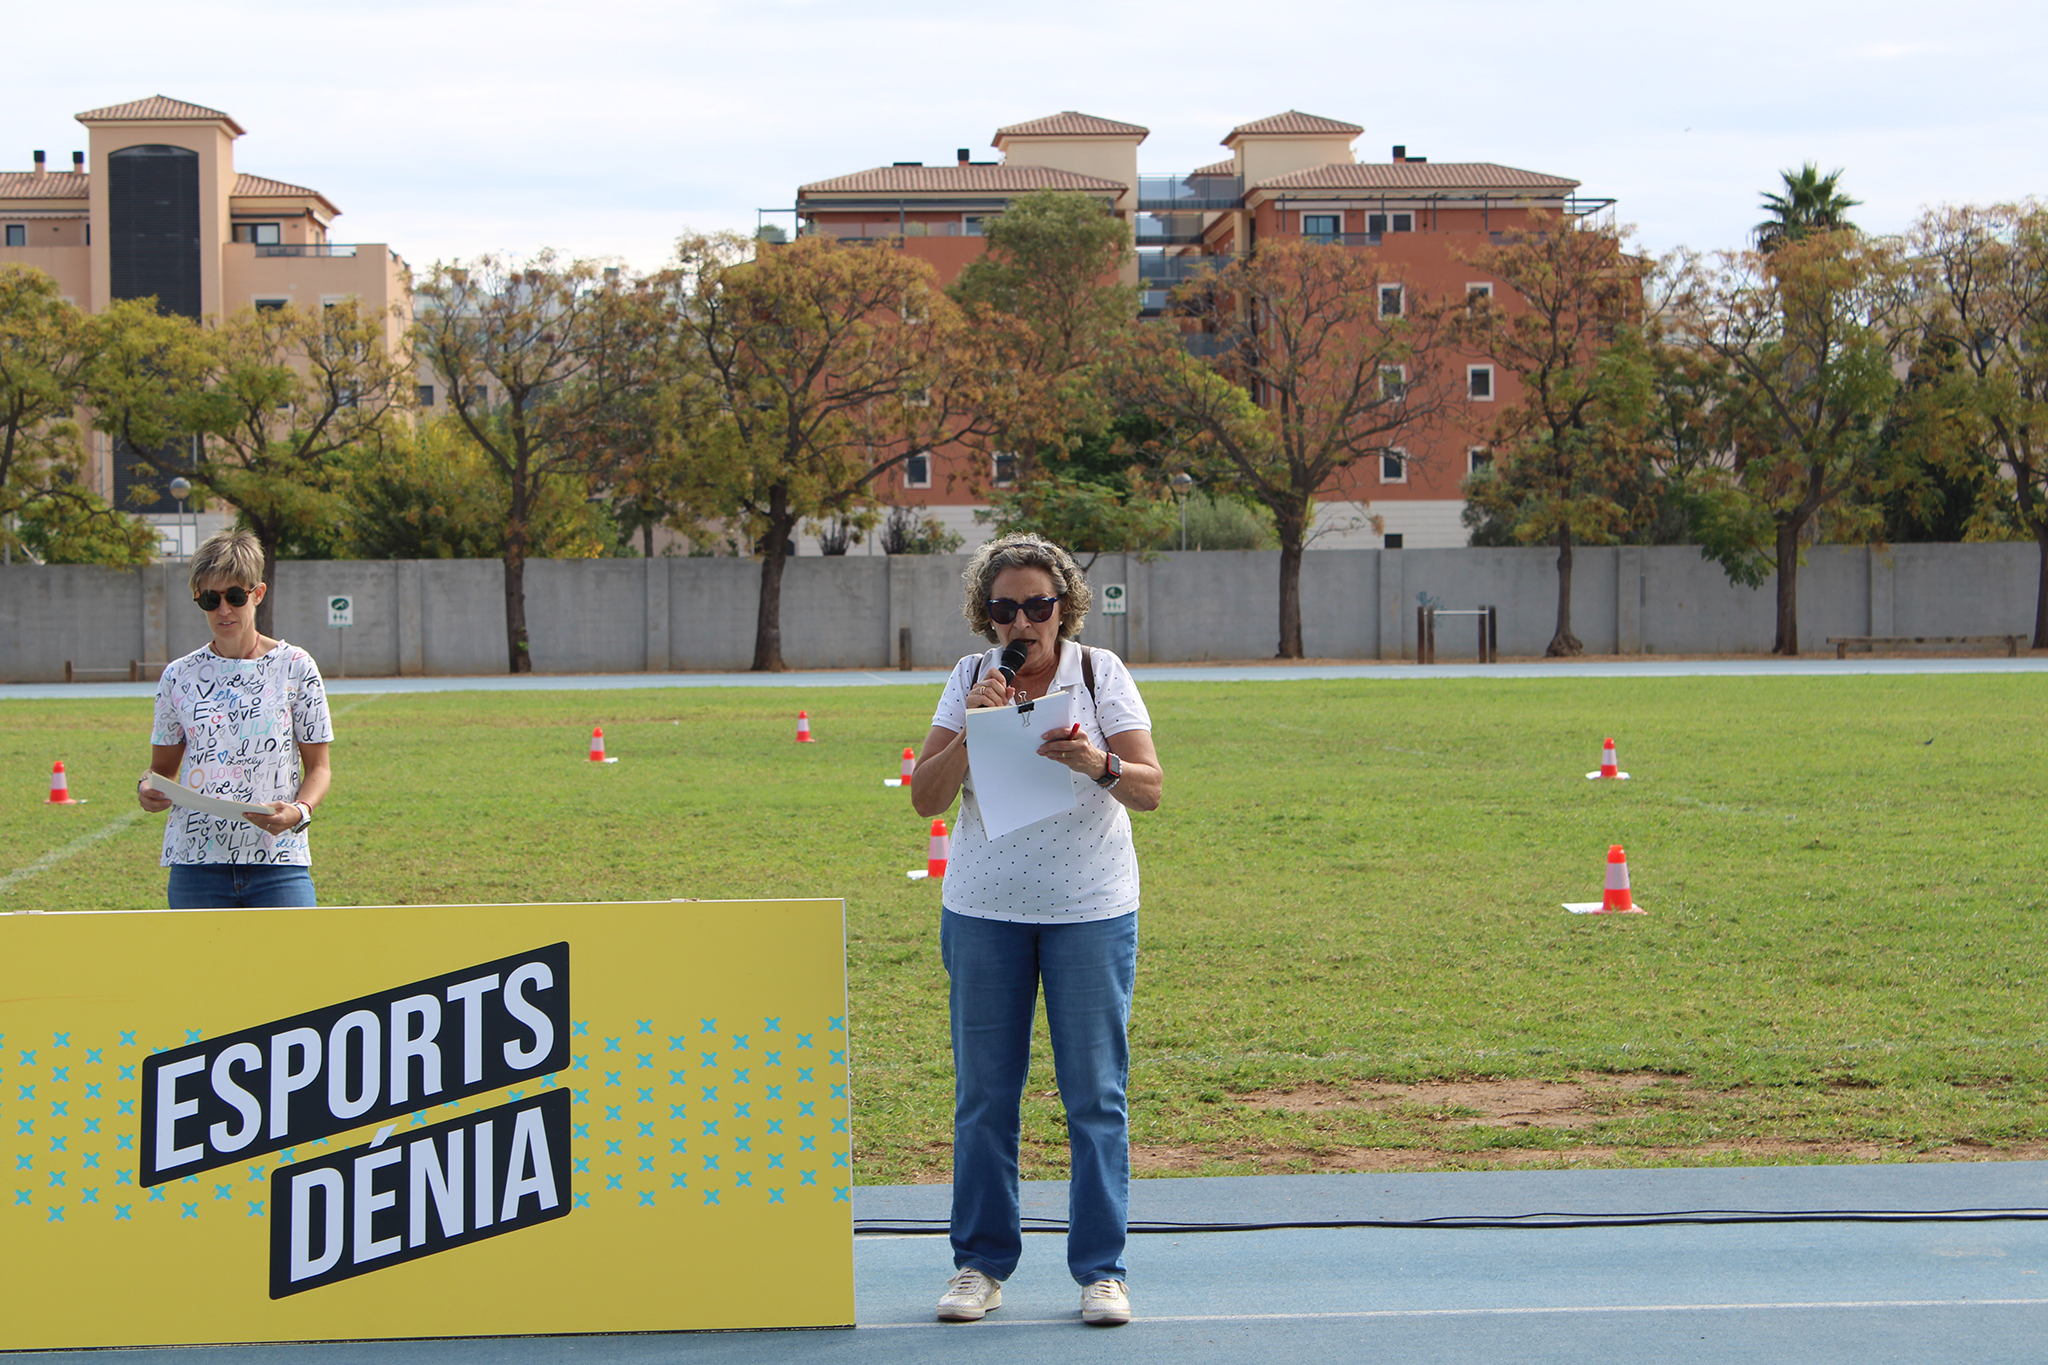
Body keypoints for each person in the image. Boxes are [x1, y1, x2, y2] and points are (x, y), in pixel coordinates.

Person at [911, 532, 1164, 1328]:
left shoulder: (1100, 673)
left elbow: (1152, 787)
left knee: (1096, 1096)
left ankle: (1101, 1269)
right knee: (985, 1095)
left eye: (1038, 605)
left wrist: (1097, 764)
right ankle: (981, 1263)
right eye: (1004, 607)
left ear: (1065, 606)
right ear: (985, 616)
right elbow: (925, 799)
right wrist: (966, 732)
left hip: (1089, 908)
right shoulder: (966, 679)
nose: (1023, 621)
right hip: (985, 910)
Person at [136, 528, 332, 909]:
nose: (224, 610)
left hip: (278, 861)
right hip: (196, 864)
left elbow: (319, 768)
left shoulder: (296, 667)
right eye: (210, 599)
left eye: (235, 597)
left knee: (293, 967)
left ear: (257, 594)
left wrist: (299, 810)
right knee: (201, 971)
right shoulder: (178, 676)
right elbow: (160, 771)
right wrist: (148, 790)